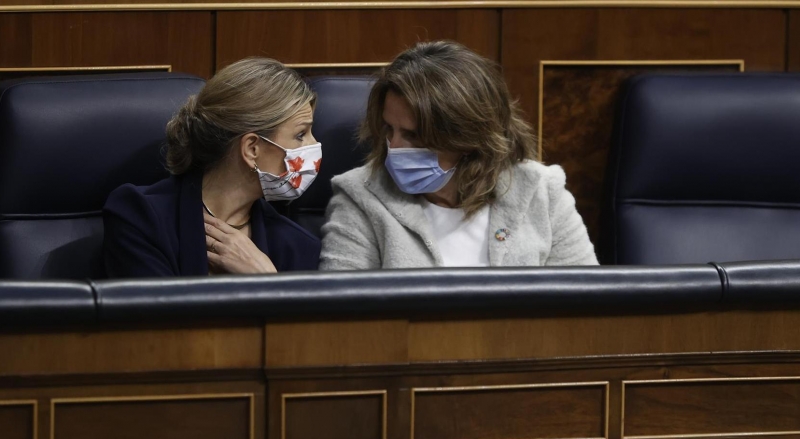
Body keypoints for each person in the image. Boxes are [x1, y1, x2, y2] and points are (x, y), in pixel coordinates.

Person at [320, 41, 597, 269]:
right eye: (389, 129)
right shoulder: (360, 196)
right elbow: (342, 319)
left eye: (413, 135)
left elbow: (585, 306)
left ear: (467, 136)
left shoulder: (541, 191)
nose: (395, 147)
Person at [104, 57, 321, 277]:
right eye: (301, 134)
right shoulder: (140, 217)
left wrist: (267, 281)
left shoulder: (299, 247)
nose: (314, 146)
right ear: (252, 149)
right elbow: (155, 310)